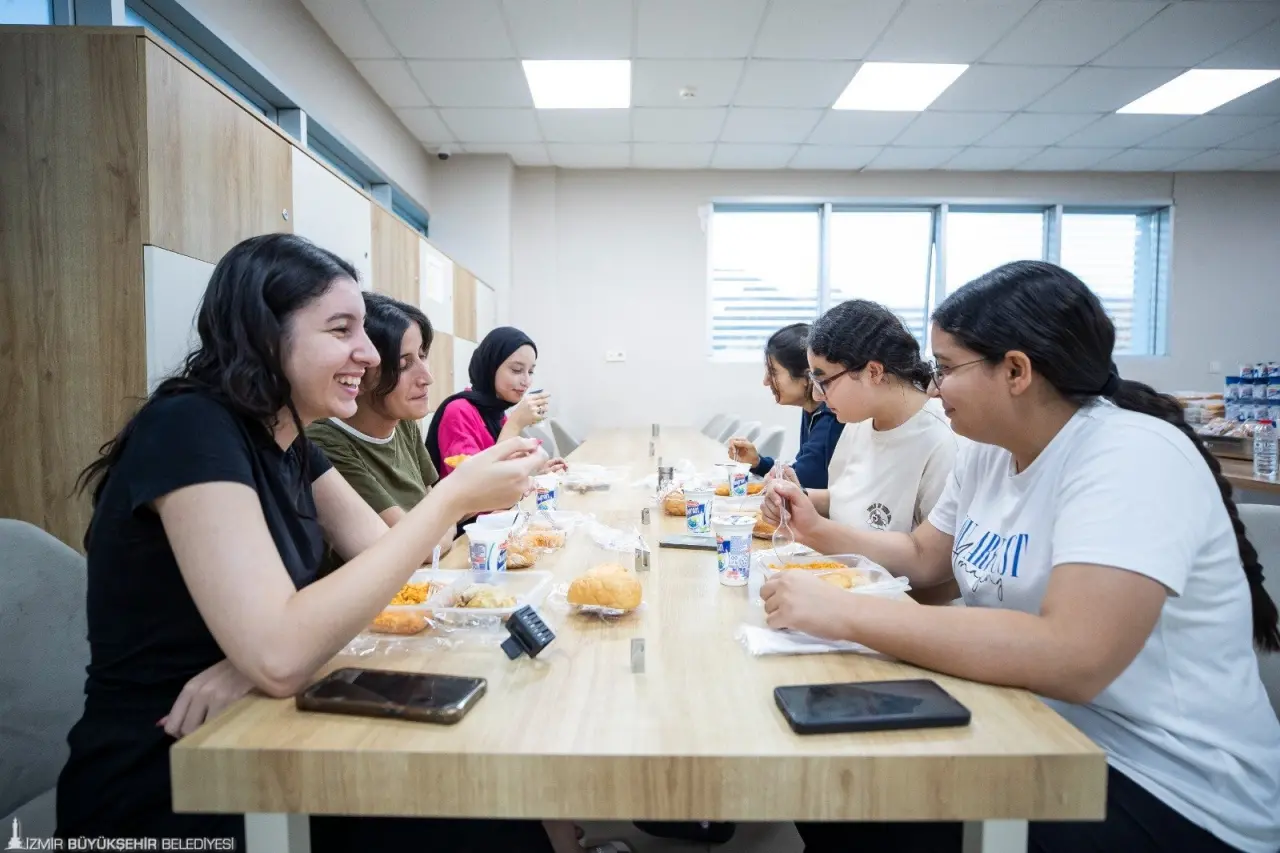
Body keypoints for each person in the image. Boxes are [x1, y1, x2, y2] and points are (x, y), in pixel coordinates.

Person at [56, 234, 554, 852]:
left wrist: (257, 663)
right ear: (265, 335)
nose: (368, 354)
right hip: (175, 773)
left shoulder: (291, 441)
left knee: (490, 799)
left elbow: (389, 563)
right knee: (479, 816)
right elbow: (281, 653)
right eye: (341, 329)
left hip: (267, 721)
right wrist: (452, 498)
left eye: (364, 330)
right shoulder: (189, 428)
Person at [762, 261, 1280, 853]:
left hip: (1165, 780)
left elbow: (1074, 655)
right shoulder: (986, 451)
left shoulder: (1129, 456)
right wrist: (817, 531)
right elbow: (925, 557)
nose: (933, 387)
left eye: (947, 369)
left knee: (868, 807)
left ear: (1016, 370)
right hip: (1031, 719)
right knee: (834, 789)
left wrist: (845, 613)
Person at [768, 301, 959, 603]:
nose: (817, 395)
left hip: (898, 608)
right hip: (848, 589)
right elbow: (850, 499)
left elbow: (938, 570)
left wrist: (818, 534)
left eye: (824, 381)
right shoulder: (859, 420)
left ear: (873, 371)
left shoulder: (942, 441)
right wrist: (797, 497)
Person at [306, 292, 453, 572]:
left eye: (423, 356)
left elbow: (436, 512)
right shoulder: (325, 441)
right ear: (361, 369)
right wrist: (455, 503)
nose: (427, 377)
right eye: (403, 364)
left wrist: (445, 516)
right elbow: (420, 546)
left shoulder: (403, 421)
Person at [426, 326, 565, 477]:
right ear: (490, 367)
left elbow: (506, 476)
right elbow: (475, 483)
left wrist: (538, 476)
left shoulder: (497, 414)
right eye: (517, 370)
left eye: (530, 371)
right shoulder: (459, 411)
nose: (526, 381)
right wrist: (515, 423)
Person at [726, 323, 843, 489]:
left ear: (807, 377)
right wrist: (758, 462)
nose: (766, 381)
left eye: (773, 372)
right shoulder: (812, 410)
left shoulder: (831, 416)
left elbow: (803, 480)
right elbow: (798, 472)